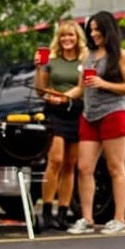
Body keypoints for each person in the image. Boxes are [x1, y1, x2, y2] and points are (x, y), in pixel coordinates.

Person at [67, 11, 125, 235]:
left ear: (108, 30)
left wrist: (103, 83)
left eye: (98, 29)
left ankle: (120, 219)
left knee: (115, 167)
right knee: (84, 167)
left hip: (113, 113)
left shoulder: (121, 56)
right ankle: (87, 219)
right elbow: (81, 87)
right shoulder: (87, 55)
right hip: (89, 115)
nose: (94, 33)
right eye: (91, 30)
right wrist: (64, 96)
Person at [33, 19, 87, 231]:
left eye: (71, 35)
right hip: (54, 112)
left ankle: (63, 212)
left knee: (70, 164)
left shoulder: (84, 60)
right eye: (63, 35)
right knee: (55, 160)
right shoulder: (51, 61)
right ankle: (47, 210)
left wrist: (65, 97)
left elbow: (82, 88)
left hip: (75, 110)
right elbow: (40, 90)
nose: (67, 39)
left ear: (77, 38)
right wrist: (38, 68)